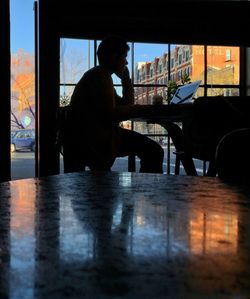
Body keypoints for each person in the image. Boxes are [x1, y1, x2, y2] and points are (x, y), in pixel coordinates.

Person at [61, 35, 164, 173]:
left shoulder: (98, 75)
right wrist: (139, 110)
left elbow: (125, 104)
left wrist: (126, 79)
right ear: (115, 57)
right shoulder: (101, 77)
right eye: (124, 57)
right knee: (154, 151)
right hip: (96, 141)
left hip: (89, 139)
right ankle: (146, 190)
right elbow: (111, 115)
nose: (126, 63)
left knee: (150, 149)